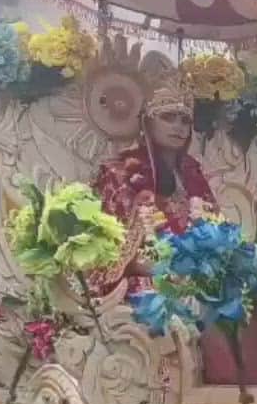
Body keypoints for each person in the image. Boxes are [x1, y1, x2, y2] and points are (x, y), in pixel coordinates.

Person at [90, 80, 217, 297]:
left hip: (195, 274)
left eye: (185, 121)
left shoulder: (192, 174)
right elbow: (109, 256)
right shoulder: (119, 174)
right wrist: (163, 267)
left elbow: (215, 231)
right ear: (147, 123)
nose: (179, 127)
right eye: (168, 117)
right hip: (145, 279)